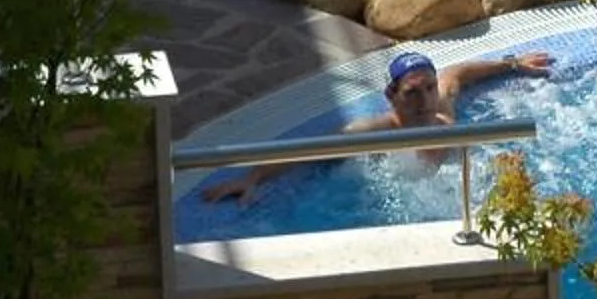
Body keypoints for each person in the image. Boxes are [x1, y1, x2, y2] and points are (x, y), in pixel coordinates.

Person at [198, 49, 553, 204]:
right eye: (413, 93)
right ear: (392, 96)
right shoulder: (374, 133)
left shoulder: (442, 112)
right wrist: (252, 179)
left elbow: (455, 73)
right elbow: (306, 151)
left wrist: (513, 63)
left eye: (429, 90)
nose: (426, 100)